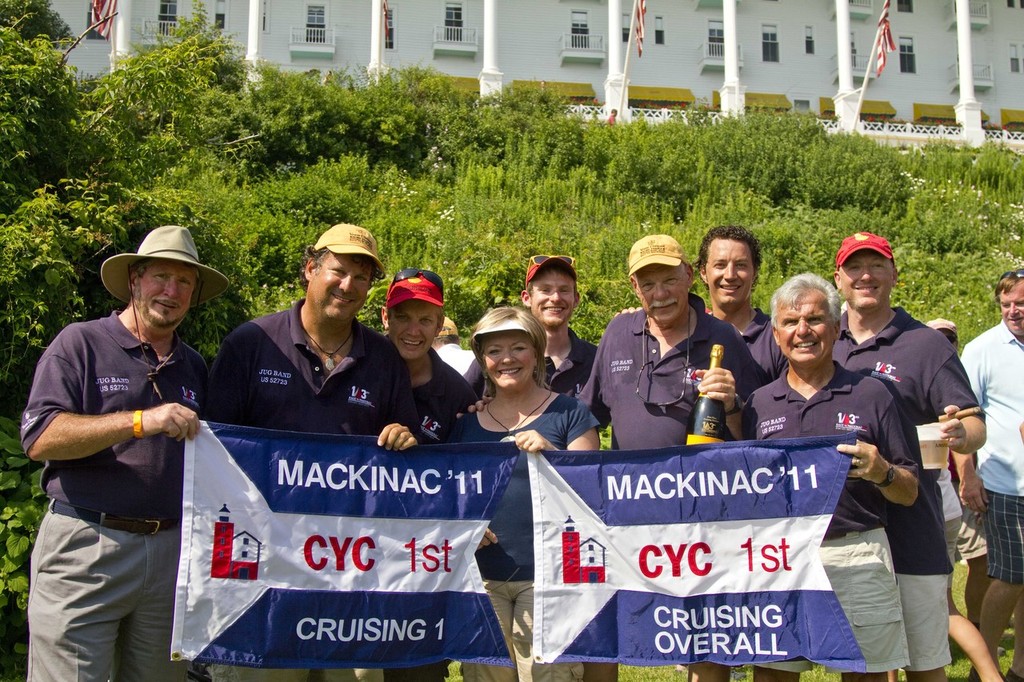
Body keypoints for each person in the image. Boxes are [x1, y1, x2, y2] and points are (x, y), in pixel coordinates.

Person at [205, 223, 419, 682]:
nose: (348, 285)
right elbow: (213, 448)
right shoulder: (251, 344)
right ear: (310, 269)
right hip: (265, 563)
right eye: (338, 271)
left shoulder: (383, 360)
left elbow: (408, 451)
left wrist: (404, 436)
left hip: (351, 564)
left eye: (362, 278)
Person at [21, 225, 229, 682]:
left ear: (194, 294)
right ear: (135, 279)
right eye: (160, 277)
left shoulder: (193, 365)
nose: (170, 292)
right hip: (87, 545)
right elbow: (40, 438)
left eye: (184, 282)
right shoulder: (80, 343)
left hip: (170, 553)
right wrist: (139, 421)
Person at [744, 273, 919, 682]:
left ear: (836, 328)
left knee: (865, 674)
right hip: (780, 558)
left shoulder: (873, 395)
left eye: (815, 320)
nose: (802, 331)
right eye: (790, 322)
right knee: (773, 673)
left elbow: (909, 491)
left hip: (855, 552)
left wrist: (883, 471)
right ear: (776, 333)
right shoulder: (759, 404)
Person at [831, 232, 986, 682]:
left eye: (877, 265)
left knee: (924, 663)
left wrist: (962, 433)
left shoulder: (926, 345)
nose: (866, 276)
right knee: (862, 664)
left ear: (893, 274)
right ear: (838, 278)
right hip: (847, 533)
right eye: (855, 267)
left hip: (913, 526)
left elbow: (976, 425)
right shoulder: (822, 336)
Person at [452, 306, 600, 682]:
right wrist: (466, 524)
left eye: (517, 347)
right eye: (494, 350)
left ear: (535, 352)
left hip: (550, 577)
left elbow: (592, 492)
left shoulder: (570, 414)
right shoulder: (466, 422)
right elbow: (451, 495)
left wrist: (553, 453)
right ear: (483, 361)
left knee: (549, 675)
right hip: (482, 578)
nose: (506, 359)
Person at [580, 234, 760, 450]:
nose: (660, 294)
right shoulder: (618, 332)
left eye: (670, 280)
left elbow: (757, 432)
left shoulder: (723, 337)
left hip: (700, 480)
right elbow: (587, 417)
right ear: (635, 286)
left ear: (688, 275)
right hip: (632, 481)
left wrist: (732, 406)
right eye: (648, 285)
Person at [922, 318, 1003, 682]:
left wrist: (968, 478)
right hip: (940, 503)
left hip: (930, 506)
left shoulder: (932, 386)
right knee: (938, 604)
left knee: (941, 605)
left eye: (949, 339)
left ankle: (990, 675)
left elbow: (962, 437)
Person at [962, 269, 1024, 681]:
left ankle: (1019, 668)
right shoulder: (983, 349)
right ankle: (983, 664)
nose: (1013, 311)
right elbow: (963, 415)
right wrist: (968, 475)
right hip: (1005, 481)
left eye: (1020, 303)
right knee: (1012, 574)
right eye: (1006, 305)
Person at [466, 255, 596, 401]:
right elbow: (458, 408)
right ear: (526, 298)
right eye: (545, 290)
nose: (555, 298)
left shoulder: (595, 360)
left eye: (564, 290)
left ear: (576, 299)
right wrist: (474, 410)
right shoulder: (496, 358)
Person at [381, 270, 477, 446]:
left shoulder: (459, 395)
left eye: (425, 320)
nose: (413, 331)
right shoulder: (356, 365)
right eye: (403, 318)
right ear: (386, 317)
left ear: (439, 325)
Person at [696, 225, 786, 382]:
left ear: (755, 271)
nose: (730, 275)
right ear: (703, 272)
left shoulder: (777, 338)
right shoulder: (691, 336)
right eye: (720, 265)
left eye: (740, 265)